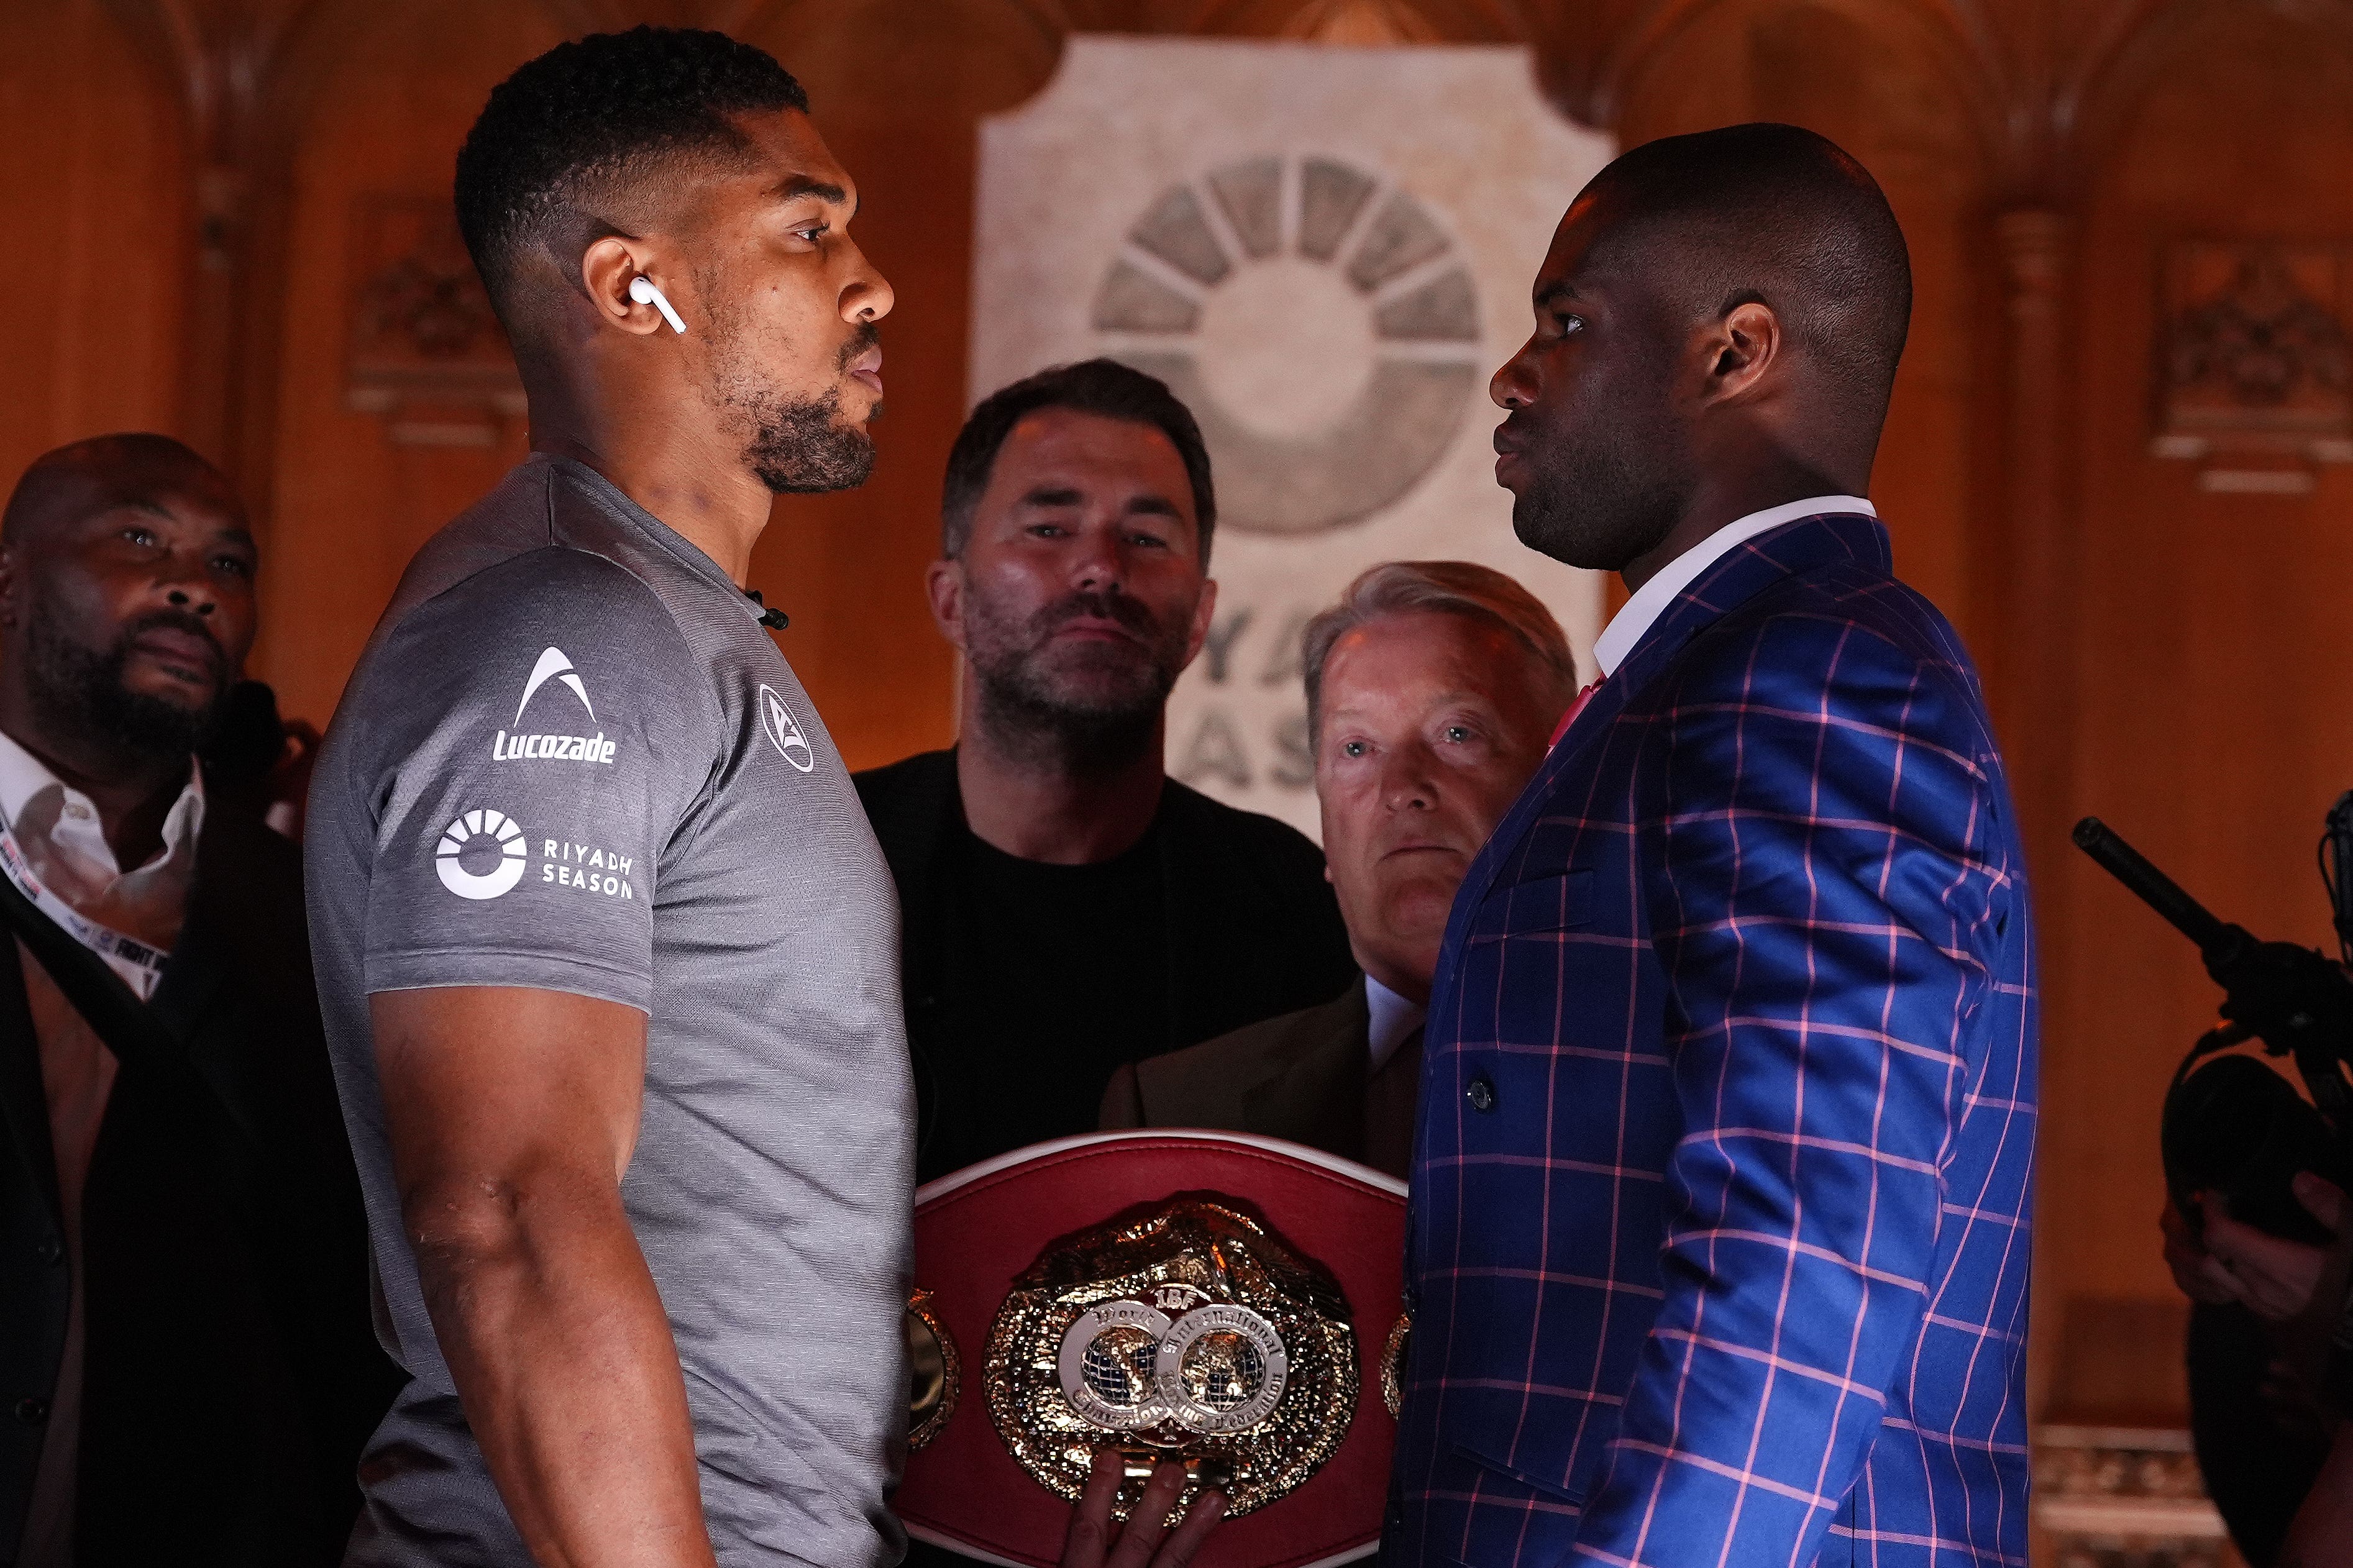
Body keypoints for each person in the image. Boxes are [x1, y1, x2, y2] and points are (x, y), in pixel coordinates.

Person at [1391, 124, 2037, 1567]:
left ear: (1734, 352)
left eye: (1566, 321)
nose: (1515, 371)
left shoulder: (1813, 668)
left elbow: (1811, 1241)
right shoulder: (1713, 670)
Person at [304, 29, 909, 1568]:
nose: (872, 282)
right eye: (808, 225)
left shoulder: (672, 624)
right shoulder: (566, 627)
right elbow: (501, 1205)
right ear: (635, 284)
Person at [0, 434, 395, 1566]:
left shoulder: (308, 911)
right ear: (10, 578)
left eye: (229, 565)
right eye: (139, 538)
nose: (194, 586)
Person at [857, 359, 1356, 1187]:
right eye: (1049, 529)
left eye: (1146, 538)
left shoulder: (1296, 911)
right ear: (950, 598)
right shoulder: (815, 870)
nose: (1098, 569)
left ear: (1198, 617)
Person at [1100, 561, 1574, 1178]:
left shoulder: (1693, 1073)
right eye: (1356, 748)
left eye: (1457, 732)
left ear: (1565, 785)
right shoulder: (1172, 1116)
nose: (1401, 787)